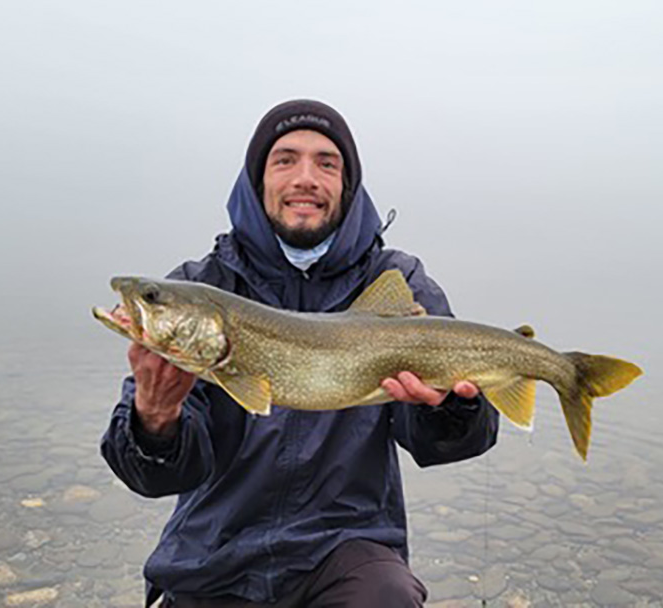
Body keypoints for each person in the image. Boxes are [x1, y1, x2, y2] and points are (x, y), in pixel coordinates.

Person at [101, 100, 499, 608]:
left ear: (347, 186)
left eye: (326, 163)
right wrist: (154, 419)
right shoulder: (200, 287)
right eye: (285, 160)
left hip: (347, 549)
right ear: (256, 181)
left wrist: (452, 409)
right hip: (213, 552)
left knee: (388, 597)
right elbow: (152, 478)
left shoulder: (398, 285)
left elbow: (446, 442)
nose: (306, 177)